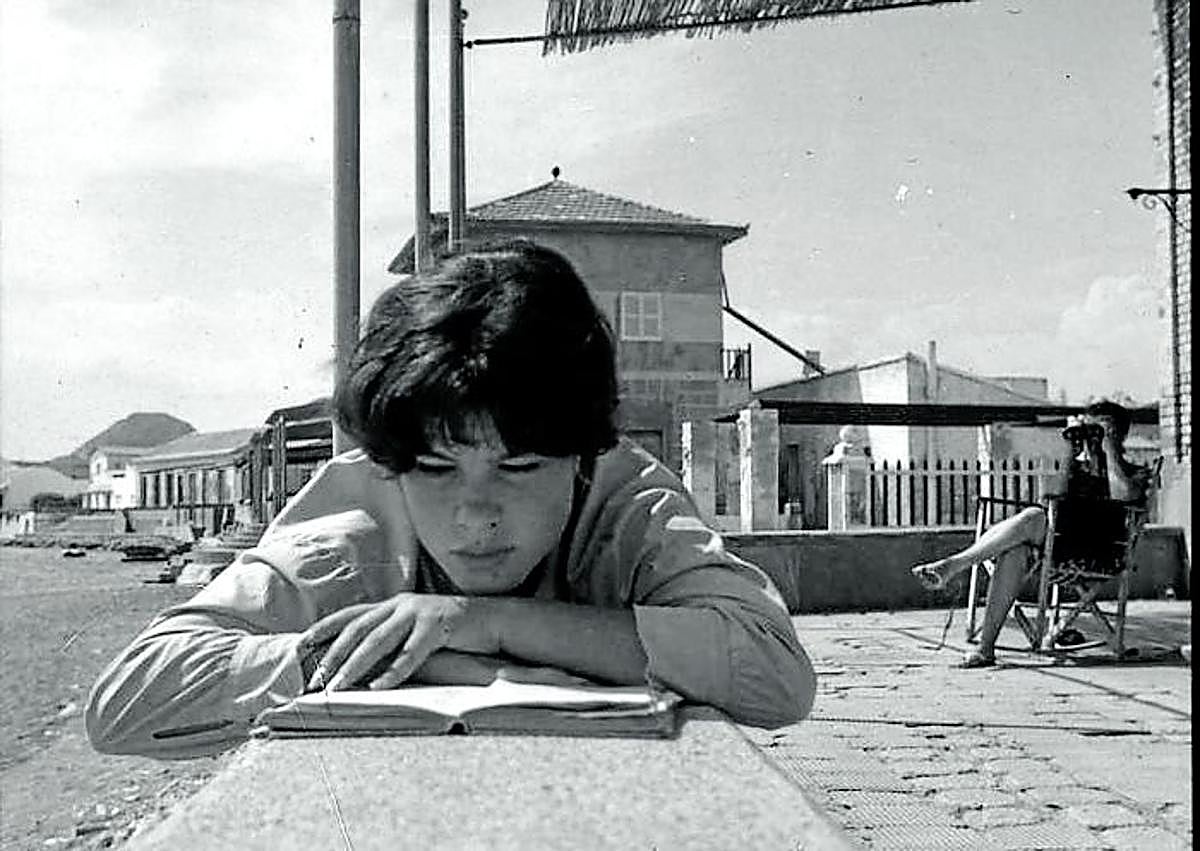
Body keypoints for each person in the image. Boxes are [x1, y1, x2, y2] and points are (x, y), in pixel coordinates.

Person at [86, 240, 817, 758]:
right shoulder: (352, 517)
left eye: (520, 464)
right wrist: (391, 656)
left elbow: (777, 672)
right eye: (436, 468)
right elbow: (125, 699)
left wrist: (484, 622)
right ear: (392, 463)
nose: (476, 514)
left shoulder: (631, 503)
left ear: (582, 454)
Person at [910, 400, 1152, 668]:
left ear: (1119, 434)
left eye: (1099, 431)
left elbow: (1124, 495)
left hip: (1099, 552)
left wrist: (1108, 452)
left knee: (1034, 517)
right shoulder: (1079, 470)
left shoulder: (1136, 473)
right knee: (1015, 550)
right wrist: (1072, 453)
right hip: (1058, 545)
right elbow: (1051, 498)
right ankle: (986, 648)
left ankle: (955, 564)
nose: (1093, 437)